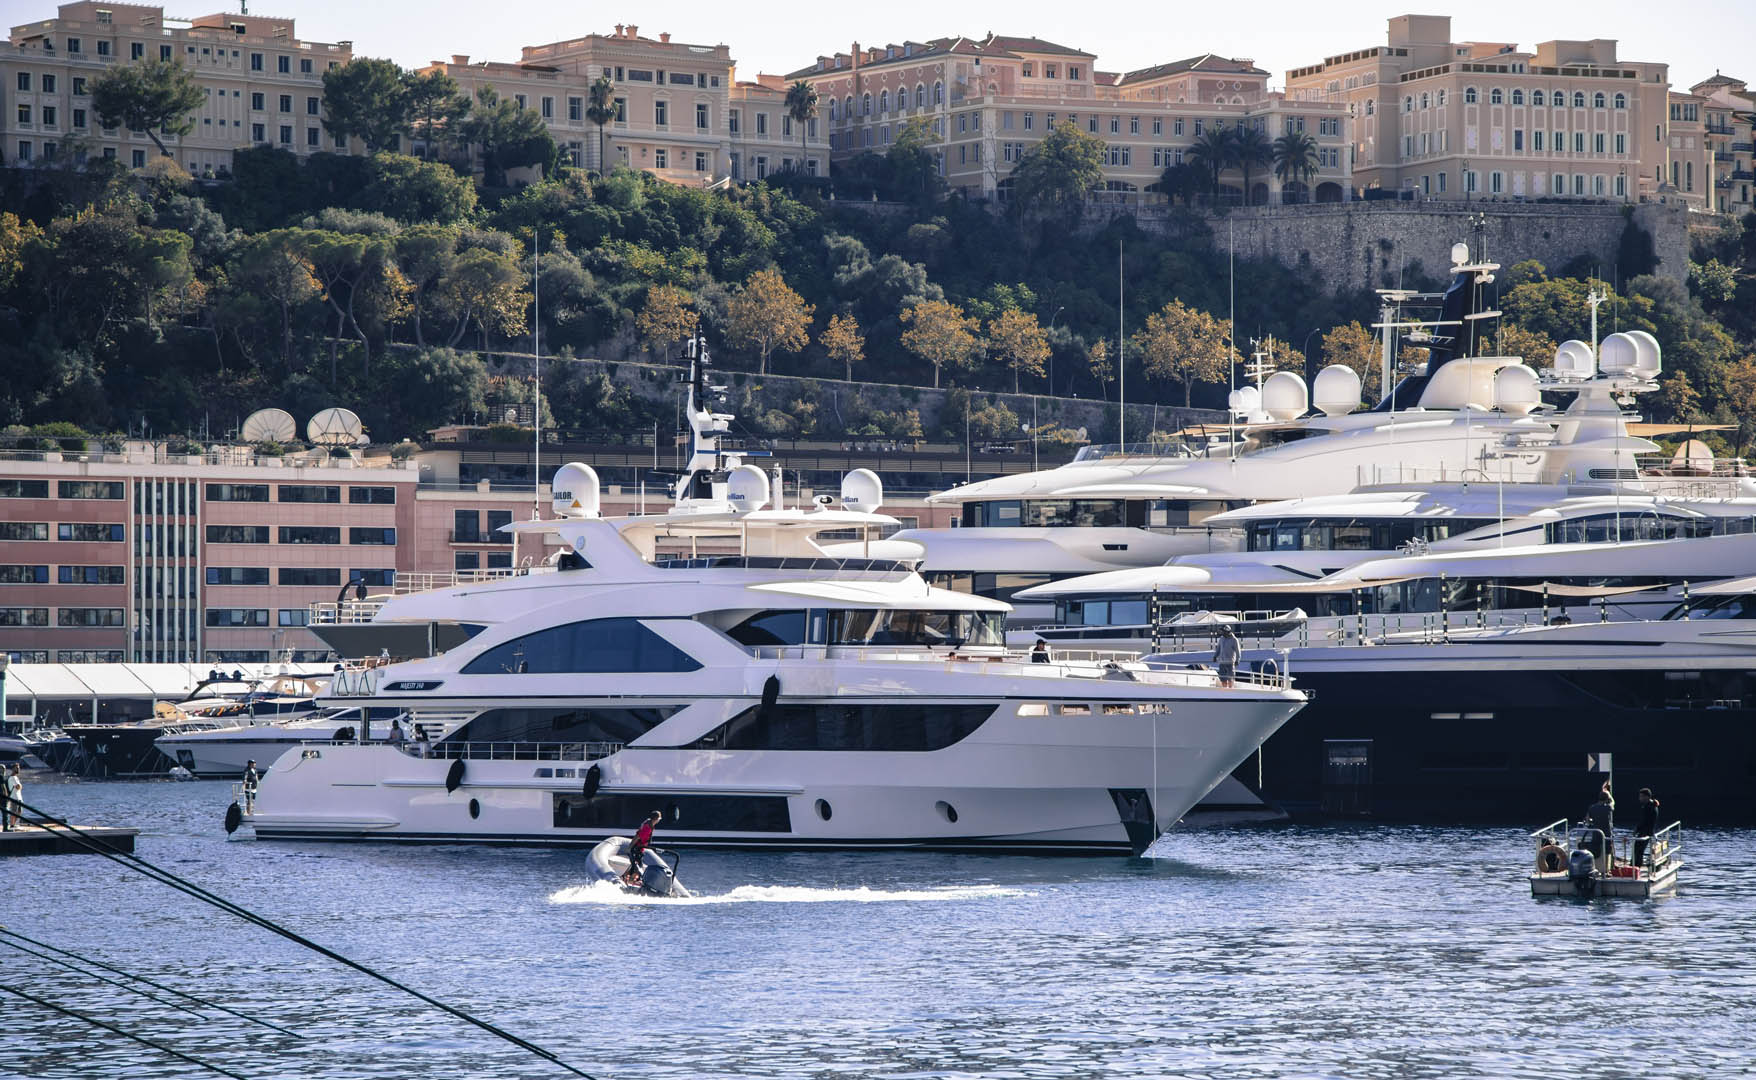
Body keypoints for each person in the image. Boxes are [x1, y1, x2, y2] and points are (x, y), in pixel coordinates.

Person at [623, 810, 662, 886]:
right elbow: (637, 836)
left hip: (640, 849)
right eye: (659, 819)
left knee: (635, 866)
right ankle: (631, 882)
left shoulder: (649, 823)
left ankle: (625, 878)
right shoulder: (647, 827)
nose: (659, 821)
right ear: (656, 819)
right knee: (638, 868)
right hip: (637, 849)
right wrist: (630, 847)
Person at [1585, 782, 1615, 863]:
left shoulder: (1592, 807)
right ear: (1606, 799)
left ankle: (1595, 867)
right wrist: (1610, 796)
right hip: (1607, 833)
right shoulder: (1608, 807)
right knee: (1607, 852)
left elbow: (1587, 820)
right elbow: (1613, 803)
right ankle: (1606, 870)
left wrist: (1593, 821)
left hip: (1596, 833)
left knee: (1595, 852)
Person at [1632, 787, 1660, 870]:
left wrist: (1636, 830)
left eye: (1641, 796)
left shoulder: (1649, 807)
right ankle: (1635, 866)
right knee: (1638, 849)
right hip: (1648, 831)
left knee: (1638, 850)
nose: (1639, 798)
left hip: (1646, 831)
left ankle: (1635, 867)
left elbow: (1644, 821)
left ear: (1647, 797)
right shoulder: (1651, 805)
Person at [4, 763, 23, 830]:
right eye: (16, 768)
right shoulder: (12, 778)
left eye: (18, 768)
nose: (18, 769)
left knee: (19, 811)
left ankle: (15, 824)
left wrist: (20, 786)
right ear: (12, 769)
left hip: (19, 797)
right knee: (13, 811)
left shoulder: (16, 777)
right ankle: (12, 825)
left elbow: (19, 787)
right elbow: (18, 787)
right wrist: (20, 786)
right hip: (14, 797)